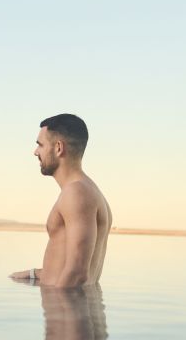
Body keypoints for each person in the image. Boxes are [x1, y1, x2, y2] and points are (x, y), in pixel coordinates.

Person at [10, 114, 111, 287]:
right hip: (73, 310)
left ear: (58, 148)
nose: (35, 152)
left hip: (68, 313)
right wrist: (34, 274)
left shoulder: (76, 193)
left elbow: (77, 273)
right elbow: (69, 264)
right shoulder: (87, 190)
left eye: (40, 145)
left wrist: (57, 311)